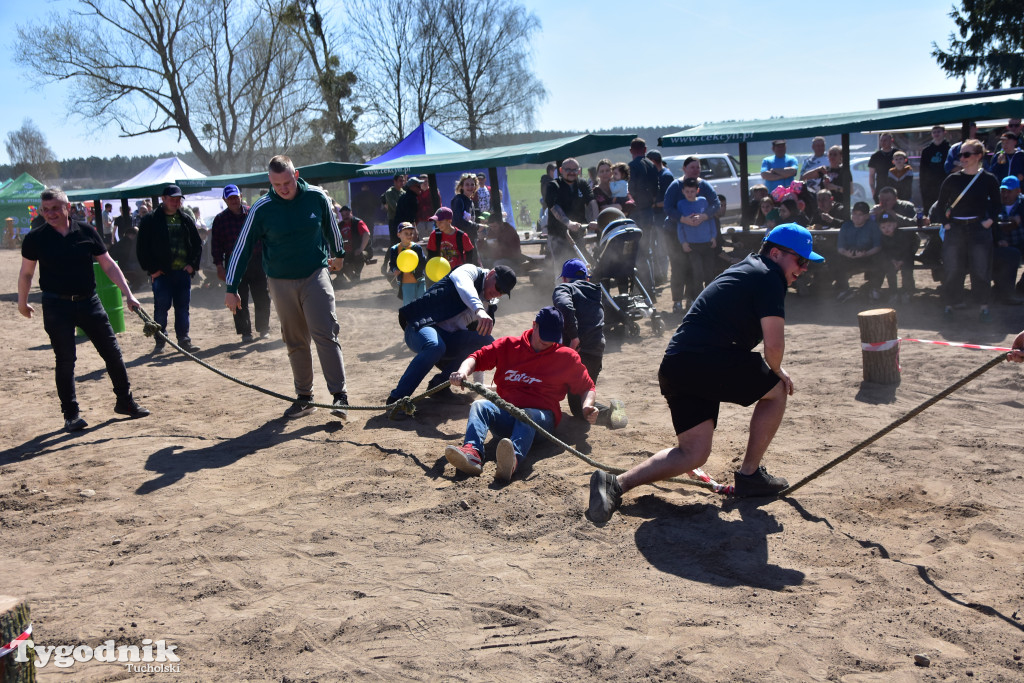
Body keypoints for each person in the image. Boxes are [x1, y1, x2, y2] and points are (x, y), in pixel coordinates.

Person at [586, 224, 824, 523]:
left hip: (678, 365)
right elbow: (774, 344)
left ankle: (615, 484)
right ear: (776, 253)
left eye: (806, 264)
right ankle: (750, 476)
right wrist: (778, 372)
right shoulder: (768, 276)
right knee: (777, 390)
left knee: (693, 453)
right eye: (800, 261)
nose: (803, 269)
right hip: (704, 361)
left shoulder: (749, 269)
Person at [224, 155, 351, 419]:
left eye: (287, 181)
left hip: (315, 273)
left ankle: (340, 397)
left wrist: (339, 253)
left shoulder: (316, 196)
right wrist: (231, 286)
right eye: (276, 184)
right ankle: (305, 397)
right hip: (280, 281)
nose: (283, 188)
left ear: (297, 174)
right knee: (294, 339)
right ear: (270, 181)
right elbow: (242, 247)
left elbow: (331, 226)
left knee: (325, 332)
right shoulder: (262, 208)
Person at [18, 186, 150, 431]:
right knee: (66, 359)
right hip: (56, 304)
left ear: (67, 207)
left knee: (112, 352)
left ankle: (125, 402)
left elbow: (109, 265)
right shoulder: (36, 238)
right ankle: (71, 415)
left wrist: (129, 295)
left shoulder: (87, 232)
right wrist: (22, 301)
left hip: (89, 301)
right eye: (46, 209)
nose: (50, 214)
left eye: (55, 208)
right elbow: (26, 273)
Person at [445, 306, 597, 482]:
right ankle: (472, 453)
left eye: (553, 337)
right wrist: (462, 372)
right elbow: (476, 358)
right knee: (480, 405)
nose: (547, 341)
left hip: (541, 423)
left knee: (526, 414)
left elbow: (588, 386)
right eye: (544, 334)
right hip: (507, 416)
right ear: (535, 325)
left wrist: (587, 407)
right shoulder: (508, 345)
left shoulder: (566, 357)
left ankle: (512, 460)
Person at [386, 263, 517, 405]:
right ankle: (396, 399)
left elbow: (480, 350)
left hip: (448, 339)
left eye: (503, 292)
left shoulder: (488, 306)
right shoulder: (469, 271)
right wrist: (478, 309)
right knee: (435, 346)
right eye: (498, 287)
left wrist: (479, 384)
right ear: (491, 274)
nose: (498, 293)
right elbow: (464, 285)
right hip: (420, 326)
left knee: (485, 341)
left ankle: (439, 387)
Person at [552, 258, 626, 428]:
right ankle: (613, 414)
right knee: (583, 397)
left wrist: (573, 335)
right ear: (587, 279)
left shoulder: (565, 287)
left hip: (578, 351)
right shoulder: (595, 292)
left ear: (564, 278)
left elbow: (564, 305)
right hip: (596, 351)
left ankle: (610, 413)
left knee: (577, 407)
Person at [936, 138, 1001, 321]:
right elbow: (940, 205)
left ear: (978, 156)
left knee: (981, 269)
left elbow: (997, 204)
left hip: (979, 229)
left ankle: (983, 308)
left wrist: (989, 222)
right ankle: (949, 306)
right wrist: (946, 224)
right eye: (960, 154)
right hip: (955, 228)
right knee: (952, 268)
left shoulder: (988, 179)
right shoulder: (952, 179)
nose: (962, 158)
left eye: (966, 154)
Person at [136, 183, 202, 353]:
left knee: (182, 308)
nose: (175, 202)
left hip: (182, 273)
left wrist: (192, 266)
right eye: (172, 199)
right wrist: (152, 270)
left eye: (178, 199)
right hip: (162, 274)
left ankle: (184, 341)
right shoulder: (150, 220)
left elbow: (197, 245)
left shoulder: (186, 219)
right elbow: (142, 248)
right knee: (161, 308)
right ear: (163, 199)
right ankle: (160, 340)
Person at [212, 184, 270, 344]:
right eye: (230, 198)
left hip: (256, 259)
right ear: (225, 200)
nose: (233, 201)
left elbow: (264, 235)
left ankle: (263, 328)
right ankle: (245, 332)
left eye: (235, 197)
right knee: (238, 298)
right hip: (233, 263)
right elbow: (216, 245)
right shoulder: (220, 220)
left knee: (262, 295)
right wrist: (219, 265)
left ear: (241, 196)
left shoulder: (252, 213)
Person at [544, 157, 598, 266]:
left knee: (583, 266)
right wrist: (568, 223)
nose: (571, 173)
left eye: (574, 170)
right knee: (563, 268)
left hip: (578, 234)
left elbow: (592, 202)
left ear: (579, 171)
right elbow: (554, 207)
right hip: (558, 235)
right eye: (568, 169)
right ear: (560, 170)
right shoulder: (553, 186)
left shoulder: (582, 184)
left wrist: (596, 220)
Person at [675, 176, 718, 302]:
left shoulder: (703, 201)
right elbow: (680, 225)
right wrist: (683, 242)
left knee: (709, 273)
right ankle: (699, 300)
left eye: (692, 191)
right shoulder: (681, 204)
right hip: (692, 245)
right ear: (683, 191)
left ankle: (710, 299)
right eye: (687, 191)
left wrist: (713, 236)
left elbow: (710, 220)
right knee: (697, 273)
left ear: (697, 191)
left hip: (707, 242)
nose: (690, 194)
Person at [835, 201, 884, 302]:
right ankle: (844, 289)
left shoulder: (873, 226)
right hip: (849, 256)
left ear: (866, 216)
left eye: (860, 214)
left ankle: (874, 289)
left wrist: (866, 254)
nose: (856, 217)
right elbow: (840, 247)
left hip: (868, 255)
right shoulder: (846, 226)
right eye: (854, 214)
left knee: (881, 258)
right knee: (835, 259)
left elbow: (878, 246)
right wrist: (846, 253)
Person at [992, 176, 1024, 304]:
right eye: (1003, 191)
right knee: (1007, 256)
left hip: (1021, 242)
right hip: (1002, 243)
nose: (1005, 194)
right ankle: (1002, 289)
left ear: (1018, 191)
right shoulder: (994, 204)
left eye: (1009, 191)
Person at [877, 212, 919, 303]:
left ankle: (906, 291)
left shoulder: (902, 235)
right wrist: (892, 260)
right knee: (889, 271)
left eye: (889, 226)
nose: (886, 229)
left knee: (907, 271)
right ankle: (893, 292)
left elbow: (908, 249)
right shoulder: (882, 238)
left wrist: (901, 261)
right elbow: (884, 252)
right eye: (883, 227)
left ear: (895, 225)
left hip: (905, 258)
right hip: (891, 259)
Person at [387, 222, 427, 305]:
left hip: (420, 280)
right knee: (409, 304)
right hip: (406, 282)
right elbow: (392, 264)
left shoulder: (417, 247)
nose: (409, 236)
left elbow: (423, 262)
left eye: (411, 233)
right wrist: (395, 270)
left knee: (422, 302)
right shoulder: (394, 249)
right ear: (399, 235)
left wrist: (413, 269)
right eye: (406, 233)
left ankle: (420, 318)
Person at [336, 205, 371, 284]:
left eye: (347, 214)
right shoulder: (340, 225)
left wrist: (361, 248)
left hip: (362, 250)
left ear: (351, 213)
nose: (345, 217)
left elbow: (367, 234)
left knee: (359, 254)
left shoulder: (358, 222)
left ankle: (357, 274)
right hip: (347, 251)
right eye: (343, 215)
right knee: (338, 257)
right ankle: (346, 277)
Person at [920, 125, 950, 214]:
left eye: (938, 132)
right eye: (934, 132)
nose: (936, 134)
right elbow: (923, 170)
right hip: (929, 186)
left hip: (945, 184)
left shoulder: (949, 149)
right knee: (929, 209)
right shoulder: (926, 150)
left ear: (944, 133)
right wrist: (922, 186)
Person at [451, 173, 487, 245]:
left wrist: (481, 223)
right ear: (461, 186)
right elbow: (458, 222)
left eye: (472, 184)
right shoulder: (458, 200)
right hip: (460, 240)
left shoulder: (470, 201)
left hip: (470, 239)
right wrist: (477, 227)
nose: (470, 187)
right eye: (467, 184)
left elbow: (470, 221)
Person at [868, 133, 900, 202]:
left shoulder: (898, 154)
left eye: (885, 140)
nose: (883, 142)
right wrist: (873, 191)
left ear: (891, 140)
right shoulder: (875, 156)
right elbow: (871, 175)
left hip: (896, 188)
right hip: (880, 188)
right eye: (881, 140)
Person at [384, 173, 406, 246]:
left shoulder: (404, 192)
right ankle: (390, 257)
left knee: (404, 241)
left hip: (403, 220)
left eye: (403, 181)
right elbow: (395, 207)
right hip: (394, 221)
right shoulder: (389, 193)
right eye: (400, 181)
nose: (402, 183)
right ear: (395, 181)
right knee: (394, 242)